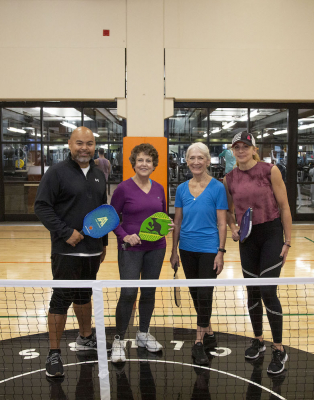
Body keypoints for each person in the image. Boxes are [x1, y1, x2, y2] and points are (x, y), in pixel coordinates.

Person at [35, 126, 111, 379]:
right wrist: (65, 232)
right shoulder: (56, 173)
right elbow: (42, 207)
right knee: (61, 298)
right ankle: (54, 353)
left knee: (84, 294)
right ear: (69, 144)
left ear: (94, 146)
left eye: (89, 143)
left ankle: (85, 337)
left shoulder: (99, 174)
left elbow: (103, 213)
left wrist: (104, 243)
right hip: (65, 250)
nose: (84, 148)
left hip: (92, 250)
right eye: (79, 143)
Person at [223, 131, 292, 375]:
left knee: (267, 290)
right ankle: (258, 340)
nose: (241, 150)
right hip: (247, 239)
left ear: (254, 148)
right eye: (236, 147)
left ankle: (279, 348)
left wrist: (288, 241)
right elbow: (230, 211)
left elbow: (284, 207)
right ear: (232, 151)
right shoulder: (229, 178)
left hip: (272, 234)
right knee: (252, 290)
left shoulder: (270, 170)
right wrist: (233, 228)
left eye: (245, 146)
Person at [110, 143, 169, 363]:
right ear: (134, 163)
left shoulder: (159, 188)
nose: (144, 164)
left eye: (148, 161)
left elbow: (162, 216)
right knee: (128, 294)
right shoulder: (123, 189)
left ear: (154, 165)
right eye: (140, 160)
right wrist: (124, 235)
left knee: (149, 292)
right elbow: (112, 217)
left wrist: (166, 225)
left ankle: (143, 333)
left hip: (156, 248)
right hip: (130, 250)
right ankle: (118, 340)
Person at [170, 142, 228, 365]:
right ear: (187, 160)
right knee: (196, 294)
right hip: (186, 249)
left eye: (200, 158)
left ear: (207, 161)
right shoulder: (182, 189)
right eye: (192, 158)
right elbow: (178, 221)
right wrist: (173, 251)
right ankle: (209, 332)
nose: (196, 162)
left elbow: (222, 223)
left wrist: (220, 252)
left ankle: (198, 341)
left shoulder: (217, 188)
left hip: (208, 249)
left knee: (205, 293)